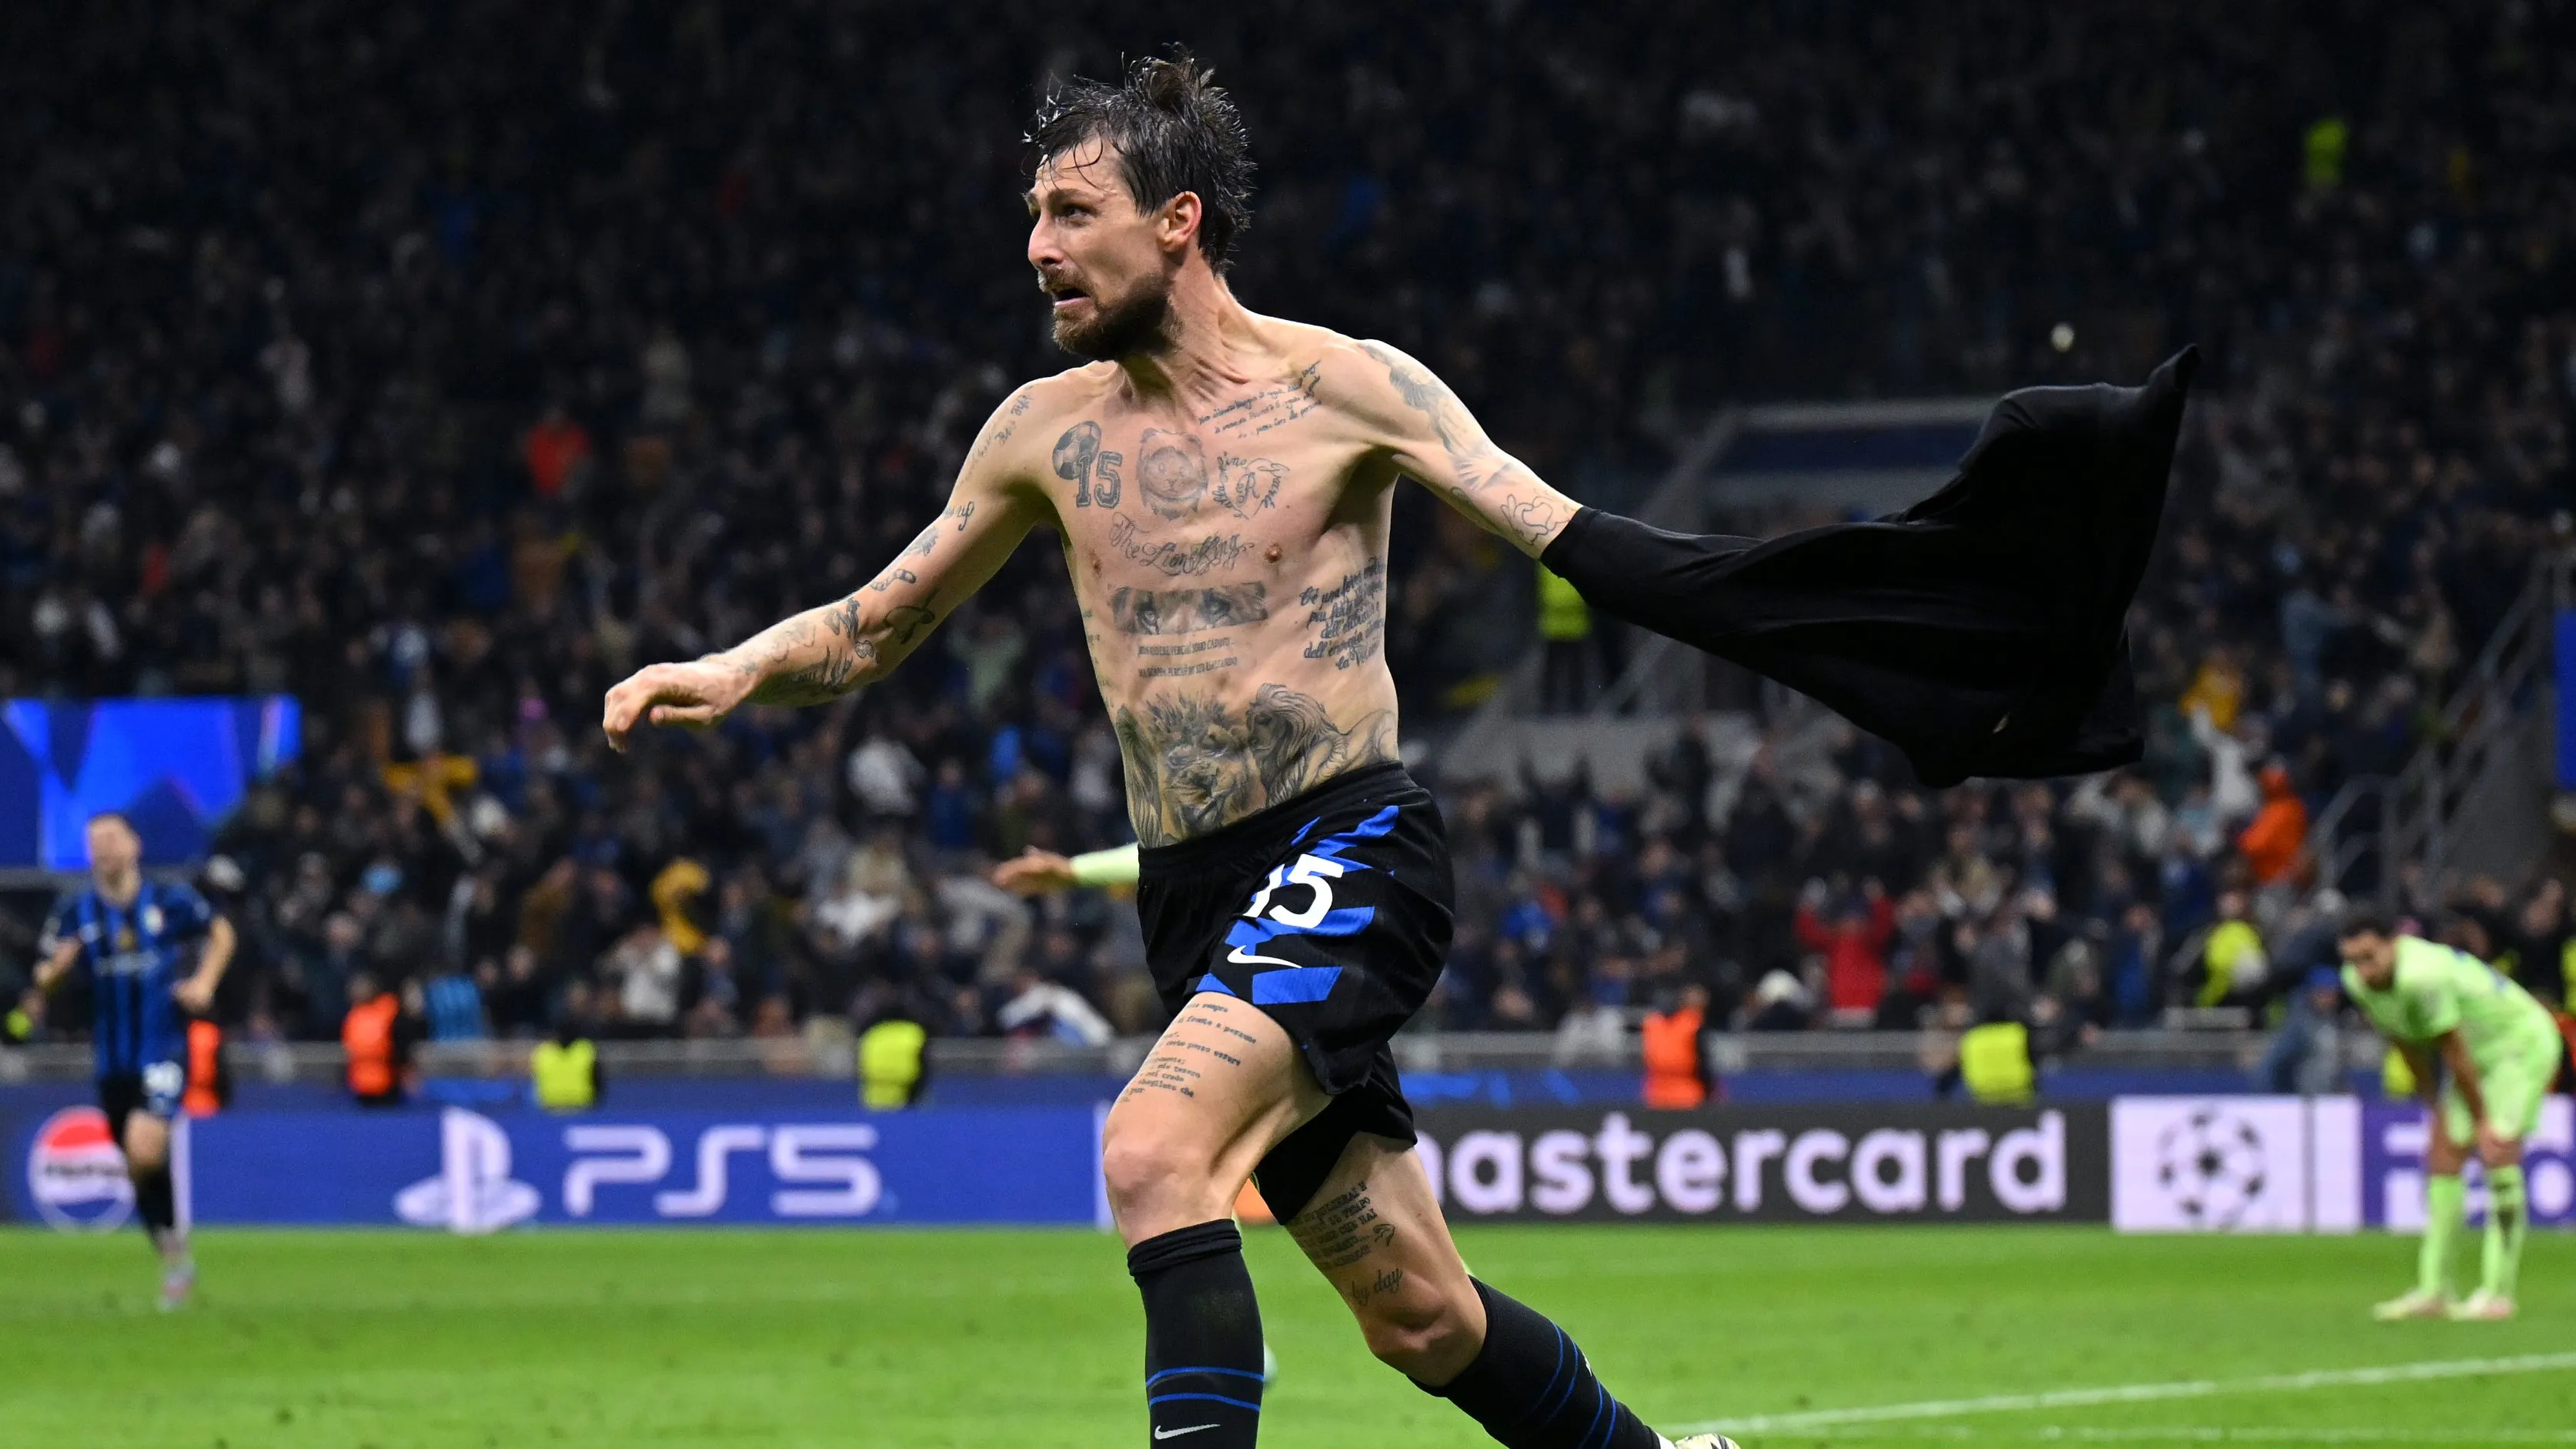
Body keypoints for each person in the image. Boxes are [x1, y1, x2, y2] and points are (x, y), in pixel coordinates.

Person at [603, 52, 2185, 1449]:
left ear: (1178, 221)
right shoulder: (1036, 430)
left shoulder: (1343, 386)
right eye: (1032, 217)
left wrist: (1884, 623)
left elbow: (1578, 539)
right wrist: (732, 667)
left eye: (1070, 212)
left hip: (1348, 847)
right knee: (1419, 1314)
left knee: (1151, 1148)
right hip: (1194, 895)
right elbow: (880, 622)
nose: (1036, 249)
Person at [29, 812, 236, 1310]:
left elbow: (222, 933)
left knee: (143, 1148)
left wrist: (204, 983)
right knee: (137, 1160)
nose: (105, 849)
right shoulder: (75, 910)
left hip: (163, 1048)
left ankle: (174, 1251)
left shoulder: (170, 900)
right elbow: (42, 976)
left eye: (113, 839)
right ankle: (173, 1251)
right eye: (95, 842)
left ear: (135, 844)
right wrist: (54, 973)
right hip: (112, 1060)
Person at [2339, 913, 2567, 1322]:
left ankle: (2498, 1293)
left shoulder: (2421, 977)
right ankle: (2434, 1290)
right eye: (2353, 960)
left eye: (2370, 957)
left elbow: (2453, 1050)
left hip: (2519, 1044)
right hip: (2477, 1057)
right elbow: (2405, 1044)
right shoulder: (2357, 983)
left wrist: (2482, 1121)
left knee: (2497, 1152)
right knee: (2442, 1157)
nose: (2363, 970)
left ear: (2394, 944)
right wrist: (2433, 1106)